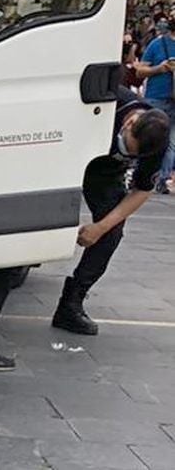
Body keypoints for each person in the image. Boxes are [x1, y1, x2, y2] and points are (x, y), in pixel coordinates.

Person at [53, 88, 169, 335]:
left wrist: (100, 227)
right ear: (129, 122)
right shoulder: (109, 99)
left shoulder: (156, 142)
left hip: (105, 173)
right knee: (40, 210)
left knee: (111, 232)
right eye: (127, 147)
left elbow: (142, 190)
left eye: (132, 155)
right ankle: (7, 270)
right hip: (66, 156)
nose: (126, 152)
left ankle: (71, 304)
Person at [136, 19, 175, 192]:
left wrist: (158, 69)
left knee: (148, 138)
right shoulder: (157, 43)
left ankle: (145, 176)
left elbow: (140, 71)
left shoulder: (156, 44)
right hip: (160, 98)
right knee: (171, 142)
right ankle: (162, 180)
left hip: (155, 97)